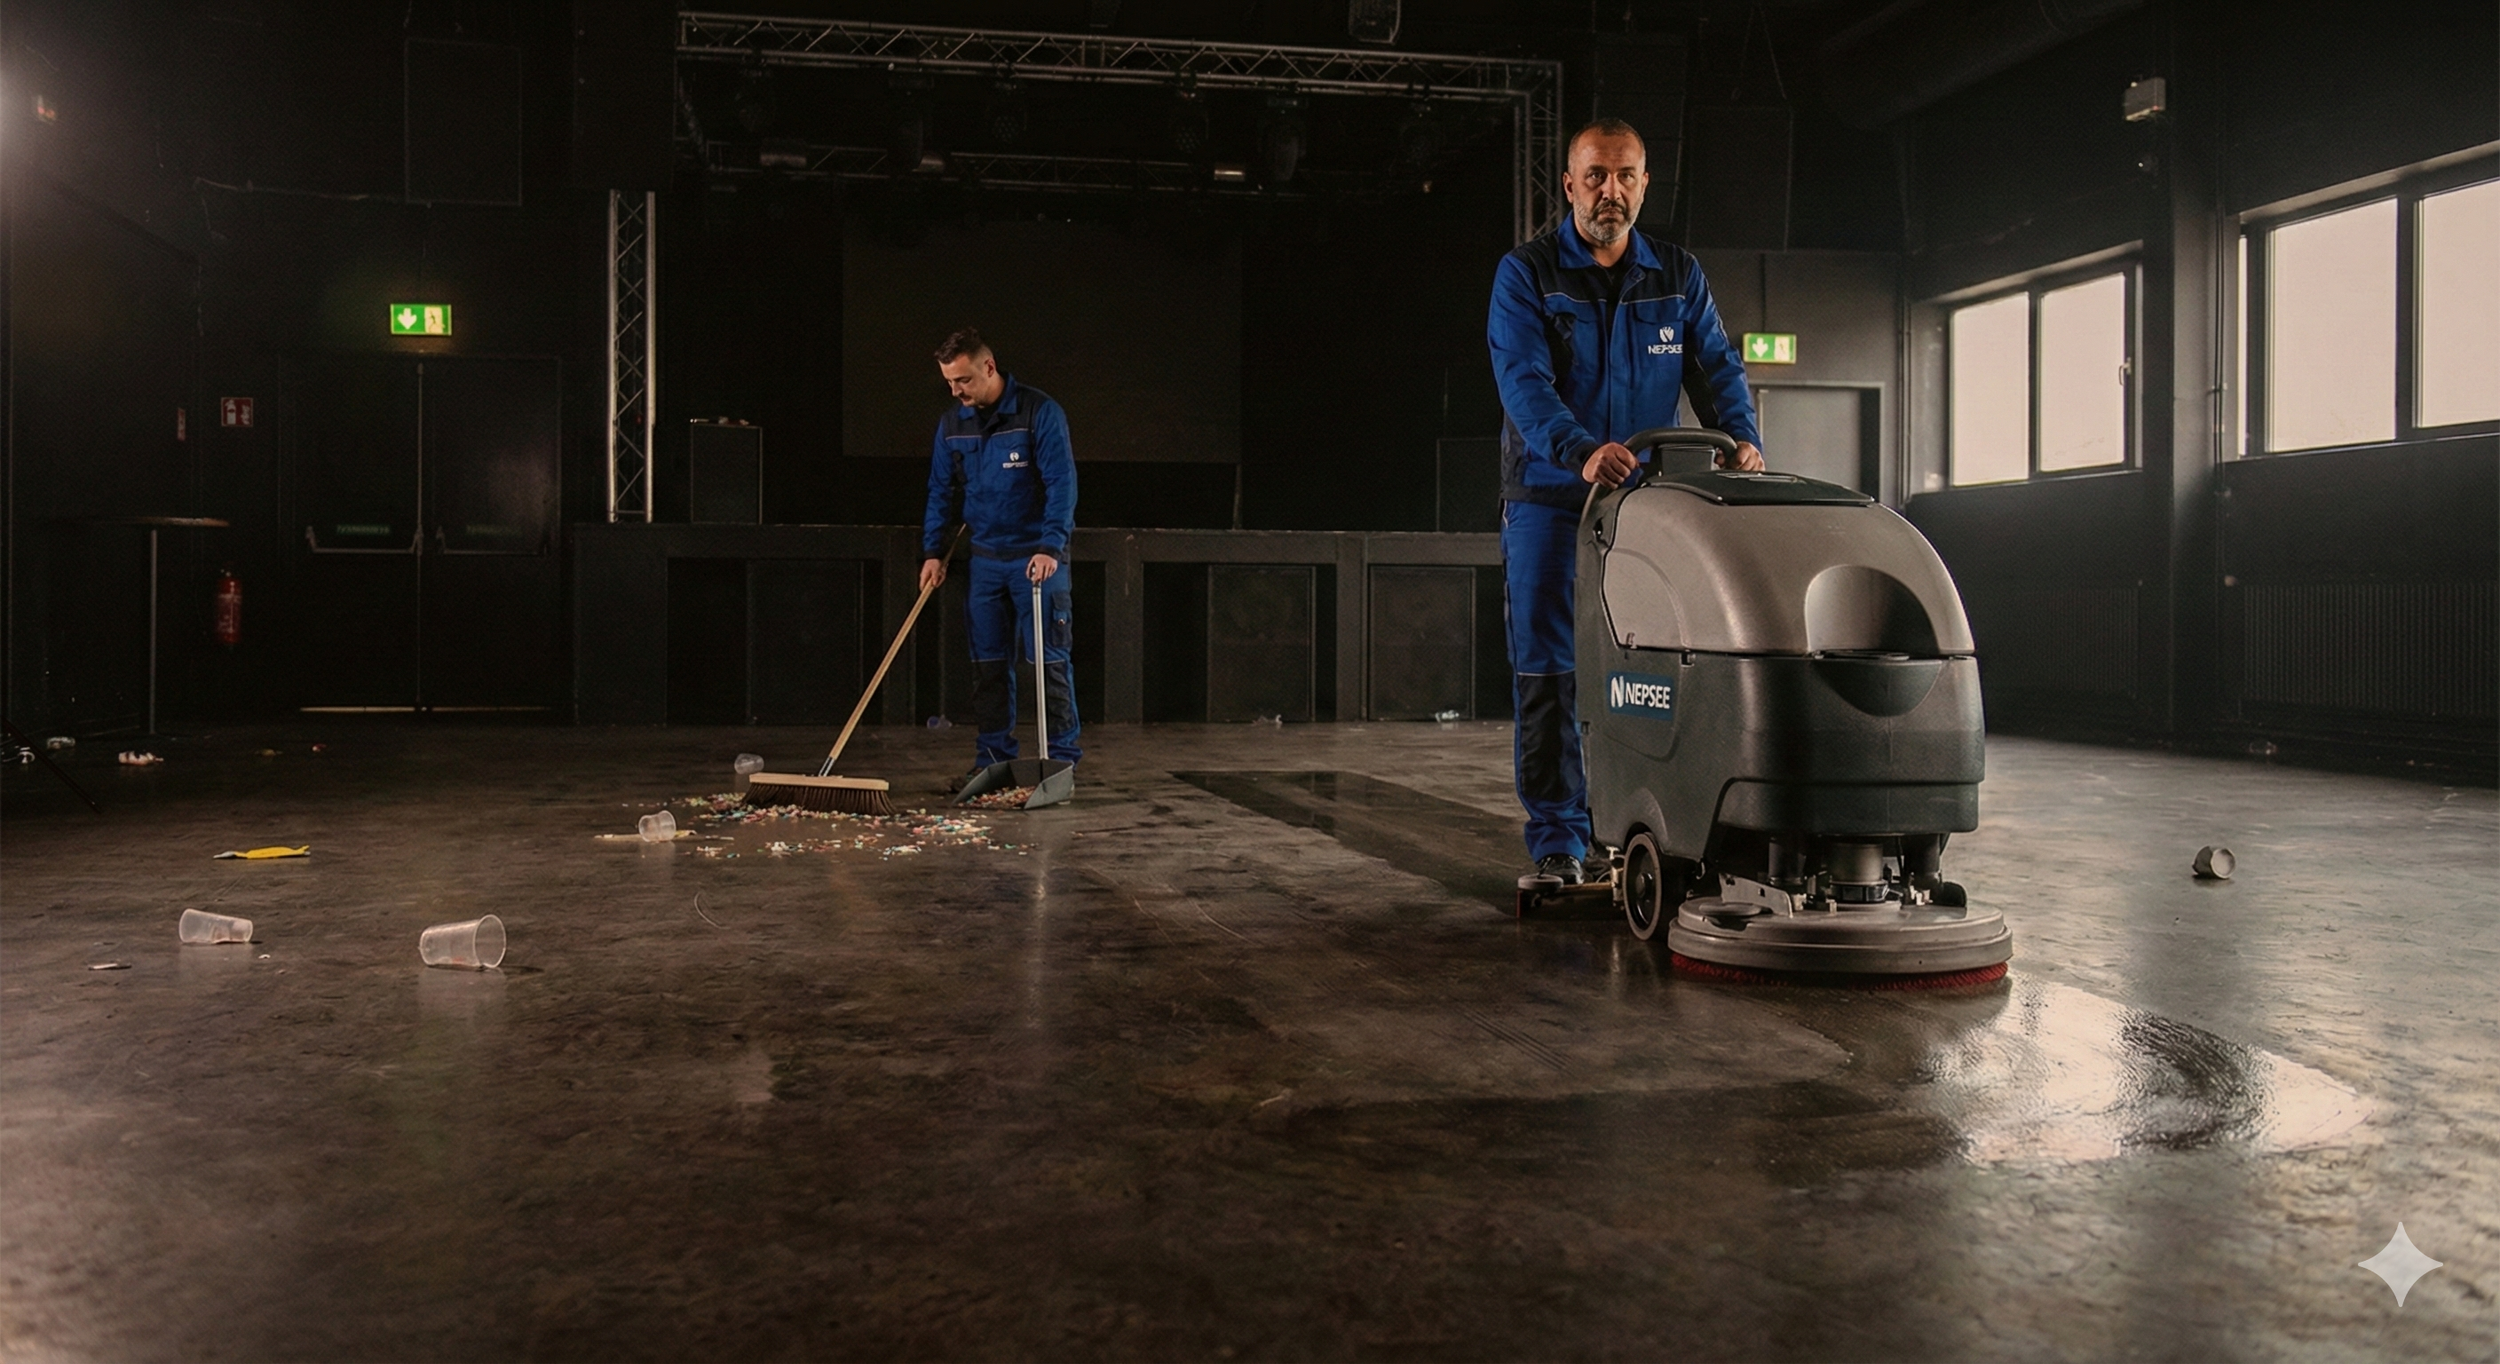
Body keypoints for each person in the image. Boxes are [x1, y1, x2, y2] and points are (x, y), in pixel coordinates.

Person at [1486, 117, 1765, 886]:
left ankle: (1654, 821)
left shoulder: (1677, 275)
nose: (1612, 191)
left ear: (1645, 185)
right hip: (1551, 501)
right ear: (1570, 185)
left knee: (1656, 668)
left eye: (1627, 175)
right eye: (1597, 175)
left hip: (1649, 507)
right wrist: (1581, 452)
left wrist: (1740, 439)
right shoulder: (1528, 274)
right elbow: (1525, 385)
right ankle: (1558, 840)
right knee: (1551, 670)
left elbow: (1717, 367)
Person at [920, 327, 1082, 786]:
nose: (957, 391)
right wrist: (933, 551)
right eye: (950, 383)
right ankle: (992, 759)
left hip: (1036, 559)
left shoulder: (1038, 412)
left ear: (988, 367)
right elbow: (940, 491)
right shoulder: (954, 425)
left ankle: (1062, 762)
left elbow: (1061, 484)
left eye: (964, 380)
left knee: (1048, 662)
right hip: (986, 562)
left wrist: (1051, 546)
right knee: (988, 666)